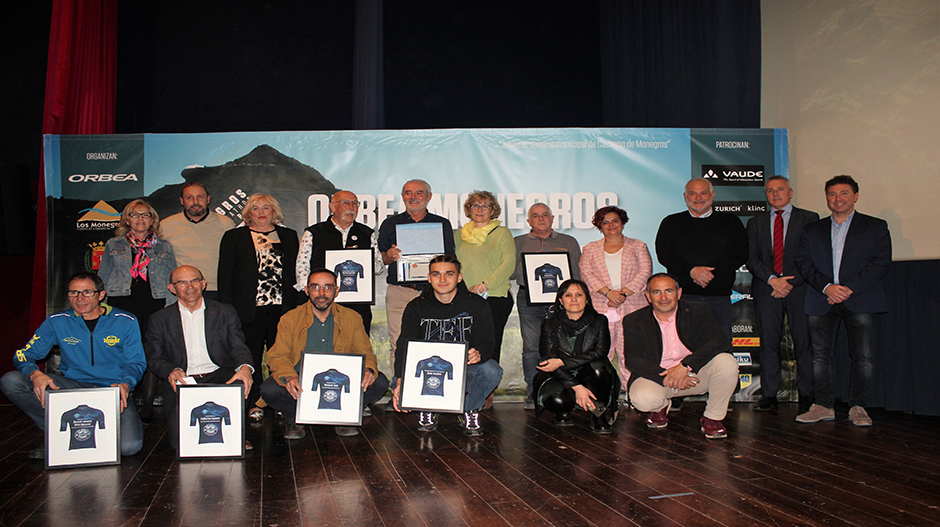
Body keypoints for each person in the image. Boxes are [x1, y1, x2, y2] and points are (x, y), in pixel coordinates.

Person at [1, 272, 146, 458]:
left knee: (129, 447)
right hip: (72, 387)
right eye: (73, 293)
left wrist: (126, 384)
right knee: (12, 380)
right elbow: (22, 355)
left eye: (87, 292)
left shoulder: (125, 320)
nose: (79, 299)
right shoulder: (57, 321)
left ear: (101, 295)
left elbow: (135, 362)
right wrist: (34, 373)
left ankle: (93, 434)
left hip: (112, 390)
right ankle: (56, 431)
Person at [794, 175, 891, 427]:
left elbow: (880, 262)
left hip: (860, 298)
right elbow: (803, 262)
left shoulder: (875, 226)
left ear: (855, 196)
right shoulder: (812, 229)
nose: (838, 199)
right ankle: (823, 405)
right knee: (820, 356)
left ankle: (858, 407)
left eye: (844, 193)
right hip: (821, 298)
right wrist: (827, 287)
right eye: (833, 194)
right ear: (827, 198)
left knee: (863, 357)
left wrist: (848, 289)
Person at [261, 269, 390, 438]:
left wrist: (368, 369)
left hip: (341, 380)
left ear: (336, 291)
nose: (321, 293)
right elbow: (277, 356)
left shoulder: (352, 317)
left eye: (328, 287)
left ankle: (344, 417)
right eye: (315, 287)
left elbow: (364, 352)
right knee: (269, 389)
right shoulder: (290, 319)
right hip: (301, 381)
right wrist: (290, 377)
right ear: (307, 290)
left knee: (379, 382)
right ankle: (294, 419)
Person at [391, 255, 503, 436]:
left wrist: (480, 353)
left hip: (464, 371)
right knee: (400, 377)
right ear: (429, 278)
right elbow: (404, 345)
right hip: (426, 372)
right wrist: (399, 379)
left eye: (449, 274)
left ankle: (469, 410)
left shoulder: (477, 305)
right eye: (436, 274)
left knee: (491, 370)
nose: (442, 280)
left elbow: (488, 342)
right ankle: (427, 408)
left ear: (459, 277)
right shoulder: (416, 307)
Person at [146, 265, 255, 450]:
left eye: (194, 280)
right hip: (184, 380)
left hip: (218, 373)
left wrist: (245, 366)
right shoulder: (159, 319)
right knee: (180, 444)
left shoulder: (225, 311)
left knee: (240, 380)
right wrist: (171, 370)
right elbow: (155, 358)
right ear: (171, 288)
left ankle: (236, 433)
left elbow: (238, 346)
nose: (190, 286)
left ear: (203, 284)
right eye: (182, 282)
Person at [622, 273, 739, 439]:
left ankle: (712, 418)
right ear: (648, 296)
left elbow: (719, 341)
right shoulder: (634, 320)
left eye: (669, 291)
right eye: (656, 292)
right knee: (642, 399)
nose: (663, 297)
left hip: (693, 374)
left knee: (726, 362)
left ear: (679, 293)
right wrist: (667, 376)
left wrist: (685, 366)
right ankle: (660, 407)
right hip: (660, 378)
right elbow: (633, 360)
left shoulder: (698, 310)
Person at [218, 193, 299, 421]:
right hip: (248, 311)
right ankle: (254, 403)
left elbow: (297, 274)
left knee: (282, 358)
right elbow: (225, 277)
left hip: (282, 310)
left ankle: (282, 401)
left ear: (275, 212)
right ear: (247, 213)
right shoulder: (234, 237)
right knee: (250, 358)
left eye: (266, 207)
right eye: (255, 208)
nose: (261, 212)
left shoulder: (289, 236)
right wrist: (228, 312)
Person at [98, 199, 177, 422]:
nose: (140, 219)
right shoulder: (114, 244)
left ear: (152, 219)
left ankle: (148, 403)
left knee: (152, 350)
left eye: (145, 215)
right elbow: (103, 276)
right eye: (135, 215)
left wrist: (171, 307)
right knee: (124, 349)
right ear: (126, 219)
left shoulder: (164, 246)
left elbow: (172, 277)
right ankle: (125, 397)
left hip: (154, 301)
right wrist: (100, 304)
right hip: (123, 300)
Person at [746, 176, 819, 412]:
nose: (775, 194)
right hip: (767, 289)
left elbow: (813, 256)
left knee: (804, 344)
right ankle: (769, 394)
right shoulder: (755, 222)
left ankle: (808, 394)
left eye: (780, 190)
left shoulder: (809, 219)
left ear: (791, 192)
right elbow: (751, 259)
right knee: (769, 344)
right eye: (770, 191)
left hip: (800, 288)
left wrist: (790, 282)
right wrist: (772, 281)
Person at [655, 178, 748, 344]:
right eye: (693, 193)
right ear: (685, 196)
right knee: (684, 348)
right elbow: (665, 254)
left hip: (719, 299)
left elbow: (740, 253)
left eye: (703, 193)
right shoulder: (671, 222)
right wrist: (691, 271)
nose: (698, 197)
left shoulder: (731, 222)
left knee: (721, 348)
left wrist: (710, 273)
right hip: (684, 298)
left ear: (712, 195)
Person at [377, 179, 456, 376]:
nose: (413, 197)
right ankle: (399, 389)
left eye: (419, 193)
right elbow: (382, 260)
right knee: (398, 342)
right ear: (402, 196)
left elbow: (449, 259)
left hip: (434, 293)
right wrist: (390, 255)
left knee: (435, 341)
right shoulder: (389, 224)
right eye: (408, 193)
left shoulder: (442, 224)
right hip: (400, 292)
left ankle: (432, 392)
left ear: (429, 197)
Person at [512, 203, 582, 409]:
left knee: (567, 347)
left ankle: (572, 392)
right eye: (535, 215)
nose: (541, 219)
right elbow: (512, 272)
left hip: (563, 301)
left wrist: (574, 300)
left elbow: (576, 275)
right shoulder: (517, 242)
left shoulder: (568, 241)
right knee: (532, 347)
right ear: (528, 221)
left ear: (552, 218)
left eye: (545, 215)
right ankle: (534, 394)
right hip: (528, 300)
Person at [579, 205, 652, 390]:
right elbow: (586, 273)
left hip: (633, 305)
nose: (611, 225)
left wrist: (623, 294)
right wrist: (607, 292)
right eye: (605, 222)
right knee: (601, 352)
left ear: (622, 222)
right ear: (599, 226)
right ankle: (602, 393)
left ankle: (633, 393)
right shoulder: (589, 249)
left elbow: (645, 272)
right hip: (601, 305)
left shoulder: (638, 246)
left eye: (615, 221)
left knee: (631, 351)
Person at [533, 279, 620, 433]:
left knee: (600, 369)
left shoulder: (599, 321)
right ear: (561, 301)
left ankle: (598, 414)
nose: (574, 299)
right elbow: (548, 362)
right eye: (568, 295)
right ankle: (564, 410)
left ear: (586, 299)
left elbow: (600, 352)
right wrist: (577, 386)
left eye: (579, 295)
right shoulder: (549, 324)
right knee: (556, 399)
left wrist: (561, 362)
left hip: (591, 374)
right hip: (560, 376)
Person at [295, 190, 385, 335]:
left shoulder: (366, 233)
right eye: (346, 203)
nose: (351, 207)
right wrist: (312, 292)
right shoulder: (314, 232)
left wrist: (362, 258)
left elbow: (379, 267)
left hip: (357, 303)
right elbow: (302, 266)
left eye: (355, 204)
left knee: (357, 346)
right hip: (322, 302)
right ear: (332, 207)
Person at [455, 191, 515, 385]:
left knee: (489, 344)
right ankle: (462, 387)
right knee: (464, 344)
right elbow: (452, 265)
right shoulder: (459, 235)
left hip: (494, 297)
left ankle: (487, 389)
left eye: (485, 206)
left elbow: (509, 263)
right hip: (464, 298)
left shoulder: (502, 233)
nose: (480, 210)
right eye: (475, 205)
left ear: (493, 210)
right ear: (469, 209)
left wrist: (484, 285)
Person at [160, 181, 235, 299]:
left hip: (218, 290)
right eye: (189, 197)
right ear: (181, 201)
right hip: (183, 291)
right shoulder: (166, 226)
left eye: (200, 197)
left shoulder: (226, 224)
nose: (195, 202)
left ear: (208, 199)